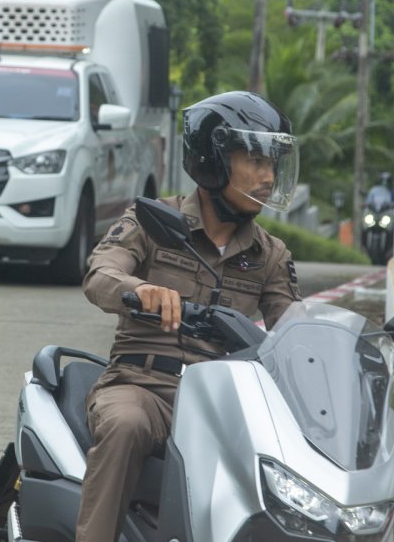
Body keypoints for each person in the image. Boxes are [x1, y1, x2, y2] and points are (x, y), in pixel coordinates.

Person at [77, 91, 303, 541]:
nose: (267, 177)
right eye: (255, 161)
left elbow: (297, 333)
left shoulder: (270, 255)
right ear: (213, 160)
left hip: (220, 406)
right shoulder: (151, 221)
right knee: (125, 426)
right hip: (142, 387)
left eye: (272, 164)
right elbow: (100, 273)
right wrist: (139, 289)